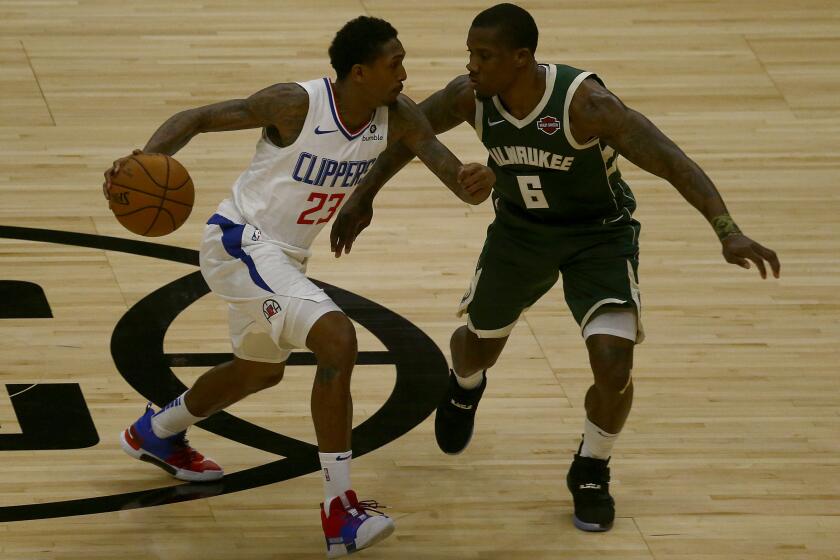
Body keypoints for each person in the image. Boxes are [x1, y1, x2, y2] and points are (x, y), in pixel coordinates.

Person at [330, 3, 780, 533]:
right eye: (470, 53)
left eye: (485, 55)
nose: (472, 65)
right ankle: (465, 385)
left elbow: (671, 159)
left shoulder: (585, 104)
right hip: (520, 234)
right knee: (476, 348)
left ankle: (591, 467)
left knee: (614, 365)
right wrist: (365, 195)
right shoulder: (469, 96)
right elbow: (409, 131)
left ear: (522, 59)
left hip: (599, 238)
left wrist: (726, 230)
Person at [102, 16, 494, 558]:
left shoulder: (398, 116)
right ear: (359, 72)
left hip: (286, 256)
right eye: (394, 63)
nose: (405, 73)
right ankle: (339, 512)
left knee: (259, 371)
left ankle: (157, 431)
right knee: (337, 340)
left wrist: (478, 181)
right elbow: (195, 117)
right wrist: (146, 160)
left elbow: (457, 179)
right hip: (241, 241)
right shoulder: (295, 104)